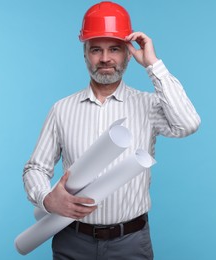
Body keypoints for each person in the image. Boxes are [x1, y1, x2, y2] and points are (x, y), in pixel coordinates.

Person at [22, 1, 201, 259]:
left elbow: (188, 124)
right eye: (96, 49)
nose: (105, 58)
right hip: (72, 240)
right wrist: (46, 199)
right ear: (85, 53)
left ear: (128, 53)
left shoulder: (148, 105)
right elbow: (35, 168)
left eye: (114, 49)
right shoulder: (62, 109)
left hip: (130, 242)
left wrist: (153, 65)